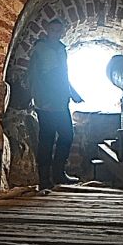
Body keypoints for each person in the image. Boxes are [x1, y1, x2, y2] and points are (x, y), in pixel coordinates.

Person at [28, 20, 83, 191]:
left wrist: (73, 93)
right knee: (47, 139)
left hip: (61, 102)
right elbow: (34, 77)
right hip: (46, 104)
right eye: (53, 30)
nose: (56, 33)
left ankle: (59, 173)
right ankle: (44, 179)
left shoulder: (61, 49)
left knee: (67, 135)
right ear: (47, 30)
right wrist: (41, 100)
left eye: (59, 30)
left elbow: (62, 75)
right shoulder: (40, 50)